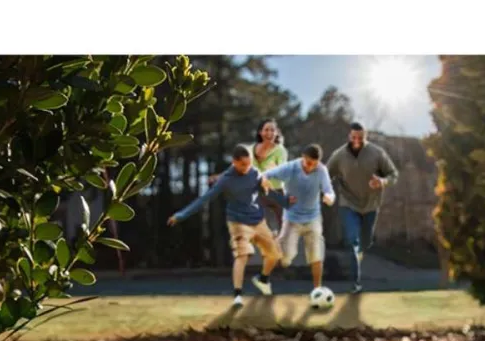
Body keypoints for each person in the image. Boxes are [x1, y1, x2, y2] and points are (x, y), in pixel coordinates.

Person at [169, 145, 281, 308]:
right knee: (243, 255)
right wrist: (181, 215)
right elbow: (204, 199)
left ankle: (263, 279)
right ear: (235, 163)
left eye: (249, 164)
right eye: (243, 165)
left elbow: (266, 189)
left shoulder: (254, 173)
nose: (246, 168)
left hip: (257, 221)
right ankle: (237, 296)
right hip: (238, 222)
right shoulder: (226, 180)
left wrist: (267, 186)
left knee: (275, 255)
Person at [326, 122, 398, 293]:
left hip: (371, 205)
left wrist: (382, 181)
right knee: (352, 240)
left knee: (365, 242)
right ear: (349, 137)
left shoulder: (377, 153)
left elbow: (393, 174)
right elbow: (326, 174)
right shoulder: (339, 155)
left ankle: (361, 252)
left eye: (361, 137)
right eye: (354, 137)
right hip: (348, 203)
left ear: (365, 136)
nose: (357, 140)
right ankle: (355, 283)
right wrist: (325, 191)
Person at [262, 144, 336, 292]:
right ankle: (276, 241)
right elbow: (266, 174)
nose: (311, 167)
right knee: (286, 259)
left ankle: (317, 290)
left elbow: (330, 192)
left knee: (316, 255)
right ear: (303, 157)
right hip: (292, 219)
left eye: (314, 164)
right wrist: (265, 180)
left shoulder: (321, 170)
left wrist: (329, 198)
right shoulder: (291, 168)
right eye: (308, 163)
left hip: (313, 218)